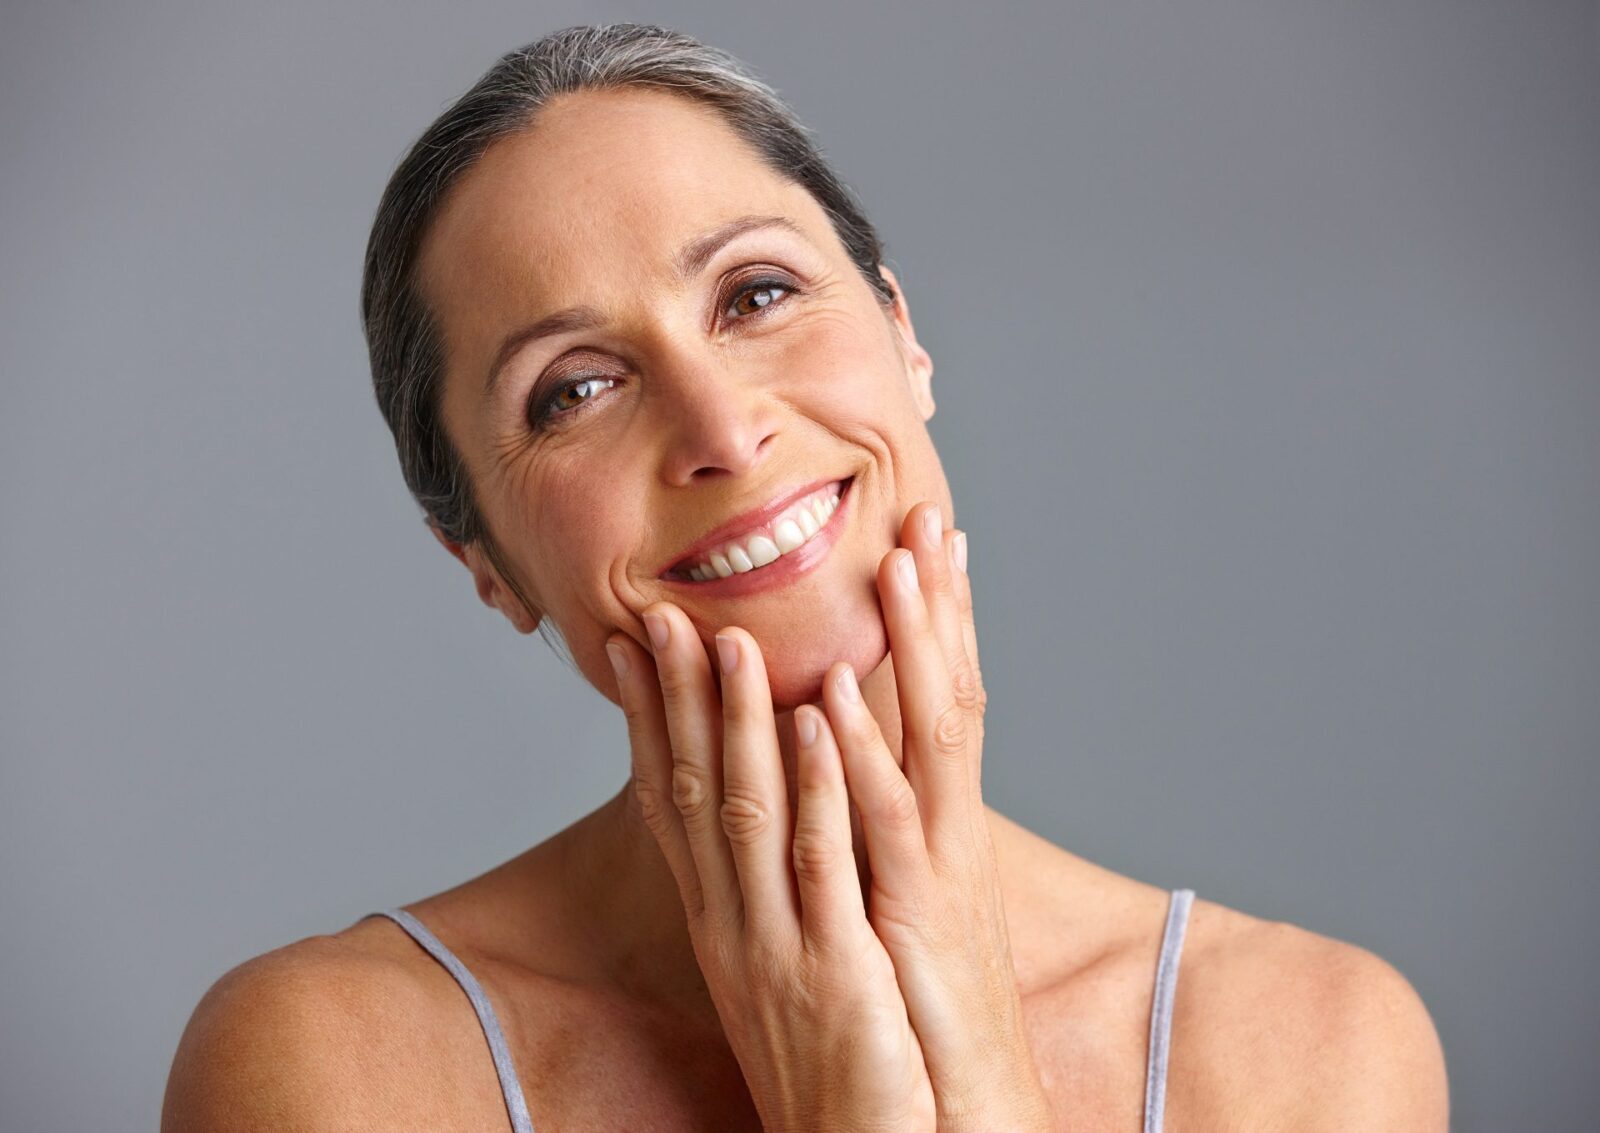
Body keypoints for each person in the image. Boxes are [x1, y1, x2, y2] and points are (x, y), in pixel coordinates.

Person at [161, 23, 1448, 1132]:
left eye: (757, 292)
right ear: (484, 562)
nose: (721, 430)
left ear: (904, 337)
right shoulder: (325, 1065)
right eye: (578, 389)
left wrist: (985, 1083)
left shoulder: (1311, 1050)